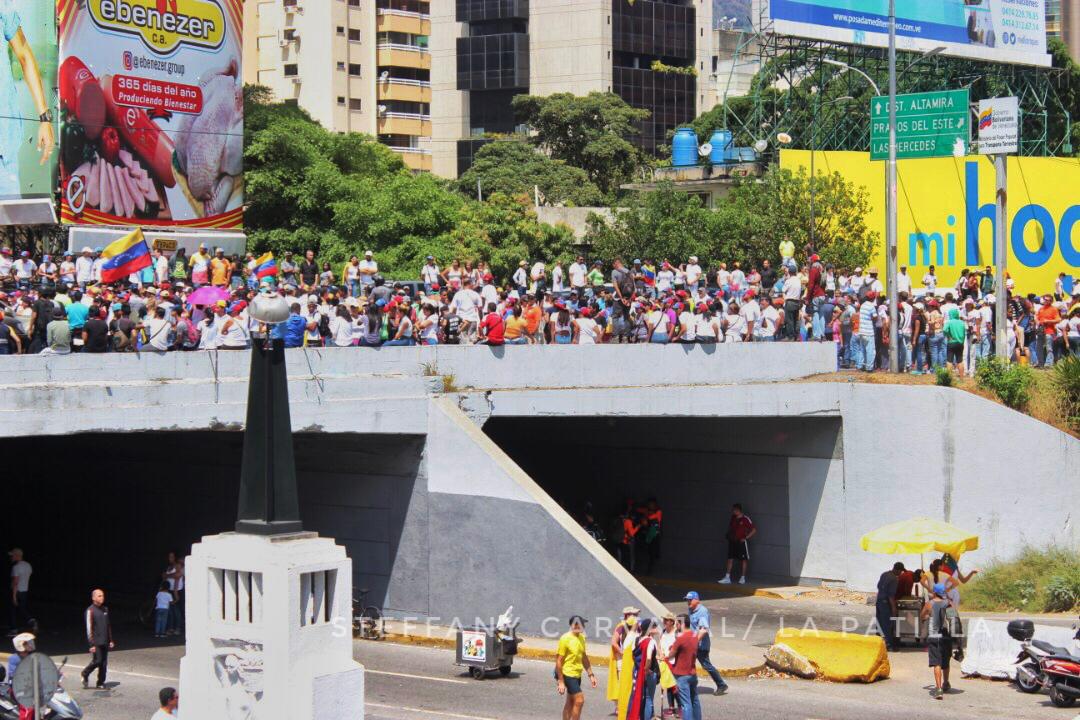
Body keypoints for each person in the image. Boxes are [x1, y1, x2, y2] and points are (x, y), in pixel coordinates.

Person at [684, 591, 727, 694]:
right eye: (687, 600)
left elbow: (703, 630)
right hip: (694, 643)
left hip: (701, 645)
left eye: (690, 600)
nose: (688, 602)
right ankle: (690, 685)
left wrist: (694, 642)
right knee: (689, 664)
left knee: (706, 665)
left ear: (697, 600)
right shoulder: (691, 609)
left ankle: (721, 685)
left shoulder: (702, 612)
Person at [555, 615, 596, 720]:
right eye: (582, 624)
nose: (584, 626)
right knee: (579, 700)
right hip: (567, 674)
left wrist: (591, 674)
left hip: (577, 674)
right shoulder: (565, 639)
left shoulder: (581, 638)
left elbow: (584, 657)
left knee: (570, 701)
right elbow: (559, 661)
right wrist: (561, 681)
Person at [919, 582, 954, 700]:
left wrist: (928, 617)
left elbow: (922, 616)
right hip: (946, 636)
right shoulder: (948, 603)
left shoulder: (929, 604)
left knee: (937, 663)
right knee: (945, 661)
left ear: (934, 592)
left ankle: (939, 689)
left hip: (934, 637)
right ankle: (946, 683)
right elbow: (953, 619)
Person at [667, 613, 701, 720]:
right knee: (695, 700)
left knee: (686, 704)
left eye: (677, 623)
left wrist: (665, 655)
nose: (675, 625)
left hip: (682, 674)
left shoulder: (680, 639)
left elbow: (671, 654)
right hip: (692, 673)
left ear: (681, 624)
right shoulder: (695, 636)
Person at [625, 618, 660, 720]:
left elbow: (634, 655)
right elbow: (648, 658)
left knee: (637, 695)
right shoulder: (651, 641)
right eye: (653, 626)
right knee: (649, 699)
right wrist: (646, 669)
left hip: (636, 671)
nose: (655, 628)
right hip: (648, 672)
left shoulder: (636, 639)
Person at [607, 607, 640, 714]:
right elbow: (614, 642)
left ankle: (628, 705)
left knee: (630, 683)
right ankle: (620, 707)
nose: (636, 616)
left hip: (632, 659)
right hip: (622, 660)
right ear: (627, 615)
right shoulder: (621, 627)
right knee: (622, 683)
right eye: (634, 614)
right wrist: (622, 653)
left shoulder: (636, 627)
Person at [81, 588, 114, 689]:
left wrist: (111, 640)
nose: (102, 598)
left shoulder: (105, 609)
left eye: (103, 596)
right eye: (99, 596)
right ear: (94, 598)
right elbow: (89, 628)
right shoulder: (90, 611)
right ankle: (85, 673)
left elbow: (108, 625)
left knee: (103, 663)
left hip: (104, 640)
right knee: (98, 660)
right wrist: (91, 644)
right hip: (96, 641)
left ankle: (100, 682)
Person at [719, 504, 755, 584]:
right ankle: (727, 577)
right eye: (733, 510)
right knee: (730, 559)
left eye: (735, 510)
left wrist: (746, 538)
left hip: (741, 542)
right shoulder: (733, 518)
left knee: (743, 560)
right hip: (732, 541)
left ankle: (743, 578)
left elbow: (753, 530)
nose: (733, 512)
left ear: (739, 510)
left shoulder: (745, 519)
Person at [876, 562, 903, 651]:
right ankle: (890, 645)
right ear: (898, 570)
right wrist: (893, 607)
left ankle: (878, 643)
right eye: (901, 571)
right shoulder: (894, 579)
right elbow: (891, 595)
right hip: (885, 603)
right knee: (887, 624)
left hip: (879, 601)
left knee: (879, 623)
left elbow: (878, 586)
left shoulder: (884, 574)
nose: (901, 573)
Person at [8, 548, 31, 637]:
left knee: (12, 611)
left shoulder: (16, 567)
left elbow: (15, 582)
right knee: (22, 609)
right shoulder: (28, 565)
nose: (11, 557)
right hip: (25, 590)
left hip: (17, 591)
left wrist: (13, 596)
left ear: (17, 556)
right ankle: (31, 620)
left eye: (12, 555)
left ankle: (13, 630)